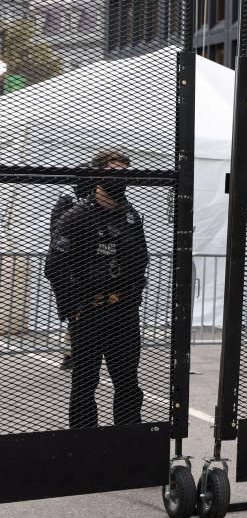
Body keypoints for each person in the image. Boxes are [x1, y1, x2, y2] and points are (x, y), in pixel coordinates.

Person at [45, 150, 148, 429]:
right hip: (87, 313)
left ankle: (128, 443)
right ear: (99, 175)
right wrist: (72, 310)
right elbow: (54, 266)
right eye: (116, 172)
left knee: (127, 382)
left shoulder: (130, 216)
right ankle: (83, 446)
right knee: (85, 383)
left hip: (123, 313)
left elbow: (141, 261)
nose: (122, 179)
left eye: (126, 173)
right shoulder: (77, 216)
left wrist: (133, 300)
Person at [49, 175, 96, 371]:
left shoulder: (93, 206)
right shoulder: (69, 204)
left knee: (81, 312)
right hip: (69, 269)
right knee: (75, 312)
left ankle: (73, 353)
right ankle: (72, 353)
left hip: (84, 268)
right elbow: (57, 234)